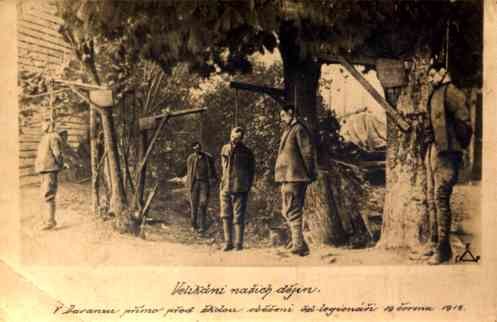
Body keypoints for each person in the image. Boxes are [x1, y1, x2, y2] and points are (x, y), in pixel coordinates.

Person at [422, 64, 472, 265]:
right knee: (432, 196)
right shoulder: (436, 93)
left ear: (443, 73)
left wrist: (457, 147)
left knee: (440, 197)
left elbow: (465, 125)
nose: (430, 78)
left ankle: (443, 251)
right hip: (434, 150)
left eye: (433, 74)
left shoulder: (452, 93)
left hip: (448, 153)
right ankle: (434, 243)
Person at [275, 104, 317, 256]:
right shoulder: (289, 129)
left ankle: (298, 244)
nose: (281, 118)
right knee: (287, 210)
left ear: (291, 113)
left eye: (283, 115)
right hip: (287, 177)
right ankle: (299, 242)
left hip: (296, 176)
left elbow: (308, 153)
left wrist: (309, 173)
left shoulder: (299, 129)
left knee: (292, 209)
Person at [219, 127, 255, 251]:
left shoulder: (247, 152)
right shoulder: (224, 148)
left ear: (242, 139)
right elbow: (223, 166)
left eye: (238, 139)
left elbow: (251, 171)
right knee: (225, 215)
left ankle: (238, 244)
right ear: (230, 135)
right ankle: (228, 242)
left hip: (239, 188)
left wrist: (246, 186)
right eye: (233, 137)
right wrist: (223, 181)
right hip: (225, 187)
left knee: (238, 216)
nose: (234, 140)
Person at [34, 122, 67, 230]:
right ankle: (48, 220)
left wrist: (61, 164)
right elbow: (55, 154)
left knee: (48, 194)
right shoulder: (50, 137)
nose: (42, 127)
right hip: (46, 169)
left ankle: (50, 221)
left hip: (47, 169)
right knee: (46, 194)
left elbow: (56, 154)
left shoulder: (51, 137)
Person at [185, 141, 217, 234]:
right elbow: (188, 171)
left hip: (204, 183)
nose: (197, 148)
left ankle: (202, 226)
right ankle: (193, 225)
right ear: (193, 148)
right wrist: (186, 181)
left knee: (203, 203)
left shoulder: (208, 157)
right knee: (194, 204)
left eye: (198, 146)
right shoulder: (190, 158)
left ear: (200, 147)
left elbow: (213, 171)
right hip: (194, 183)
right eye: (195, 146)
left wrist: (214, 179)